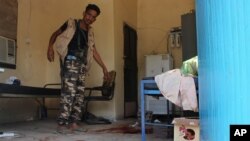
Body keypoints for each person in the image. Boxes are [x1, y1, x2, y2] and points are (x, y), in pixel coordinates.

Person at [47, 4, 109, 133]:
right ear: (83, 13)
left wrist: (103, 67)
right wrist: (49, 47)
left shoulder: (90, 32)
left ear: (95, 19)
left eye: (93, 17)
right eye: (88, 14)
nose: (90, 18)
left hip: (82, 66)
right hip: (70, 62)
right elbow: (55, 33)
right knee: (68, 94)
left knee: (79, 95)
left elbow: (93, 50)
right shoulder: (71, 23)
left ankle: (74, 123)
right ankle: (62, 124)